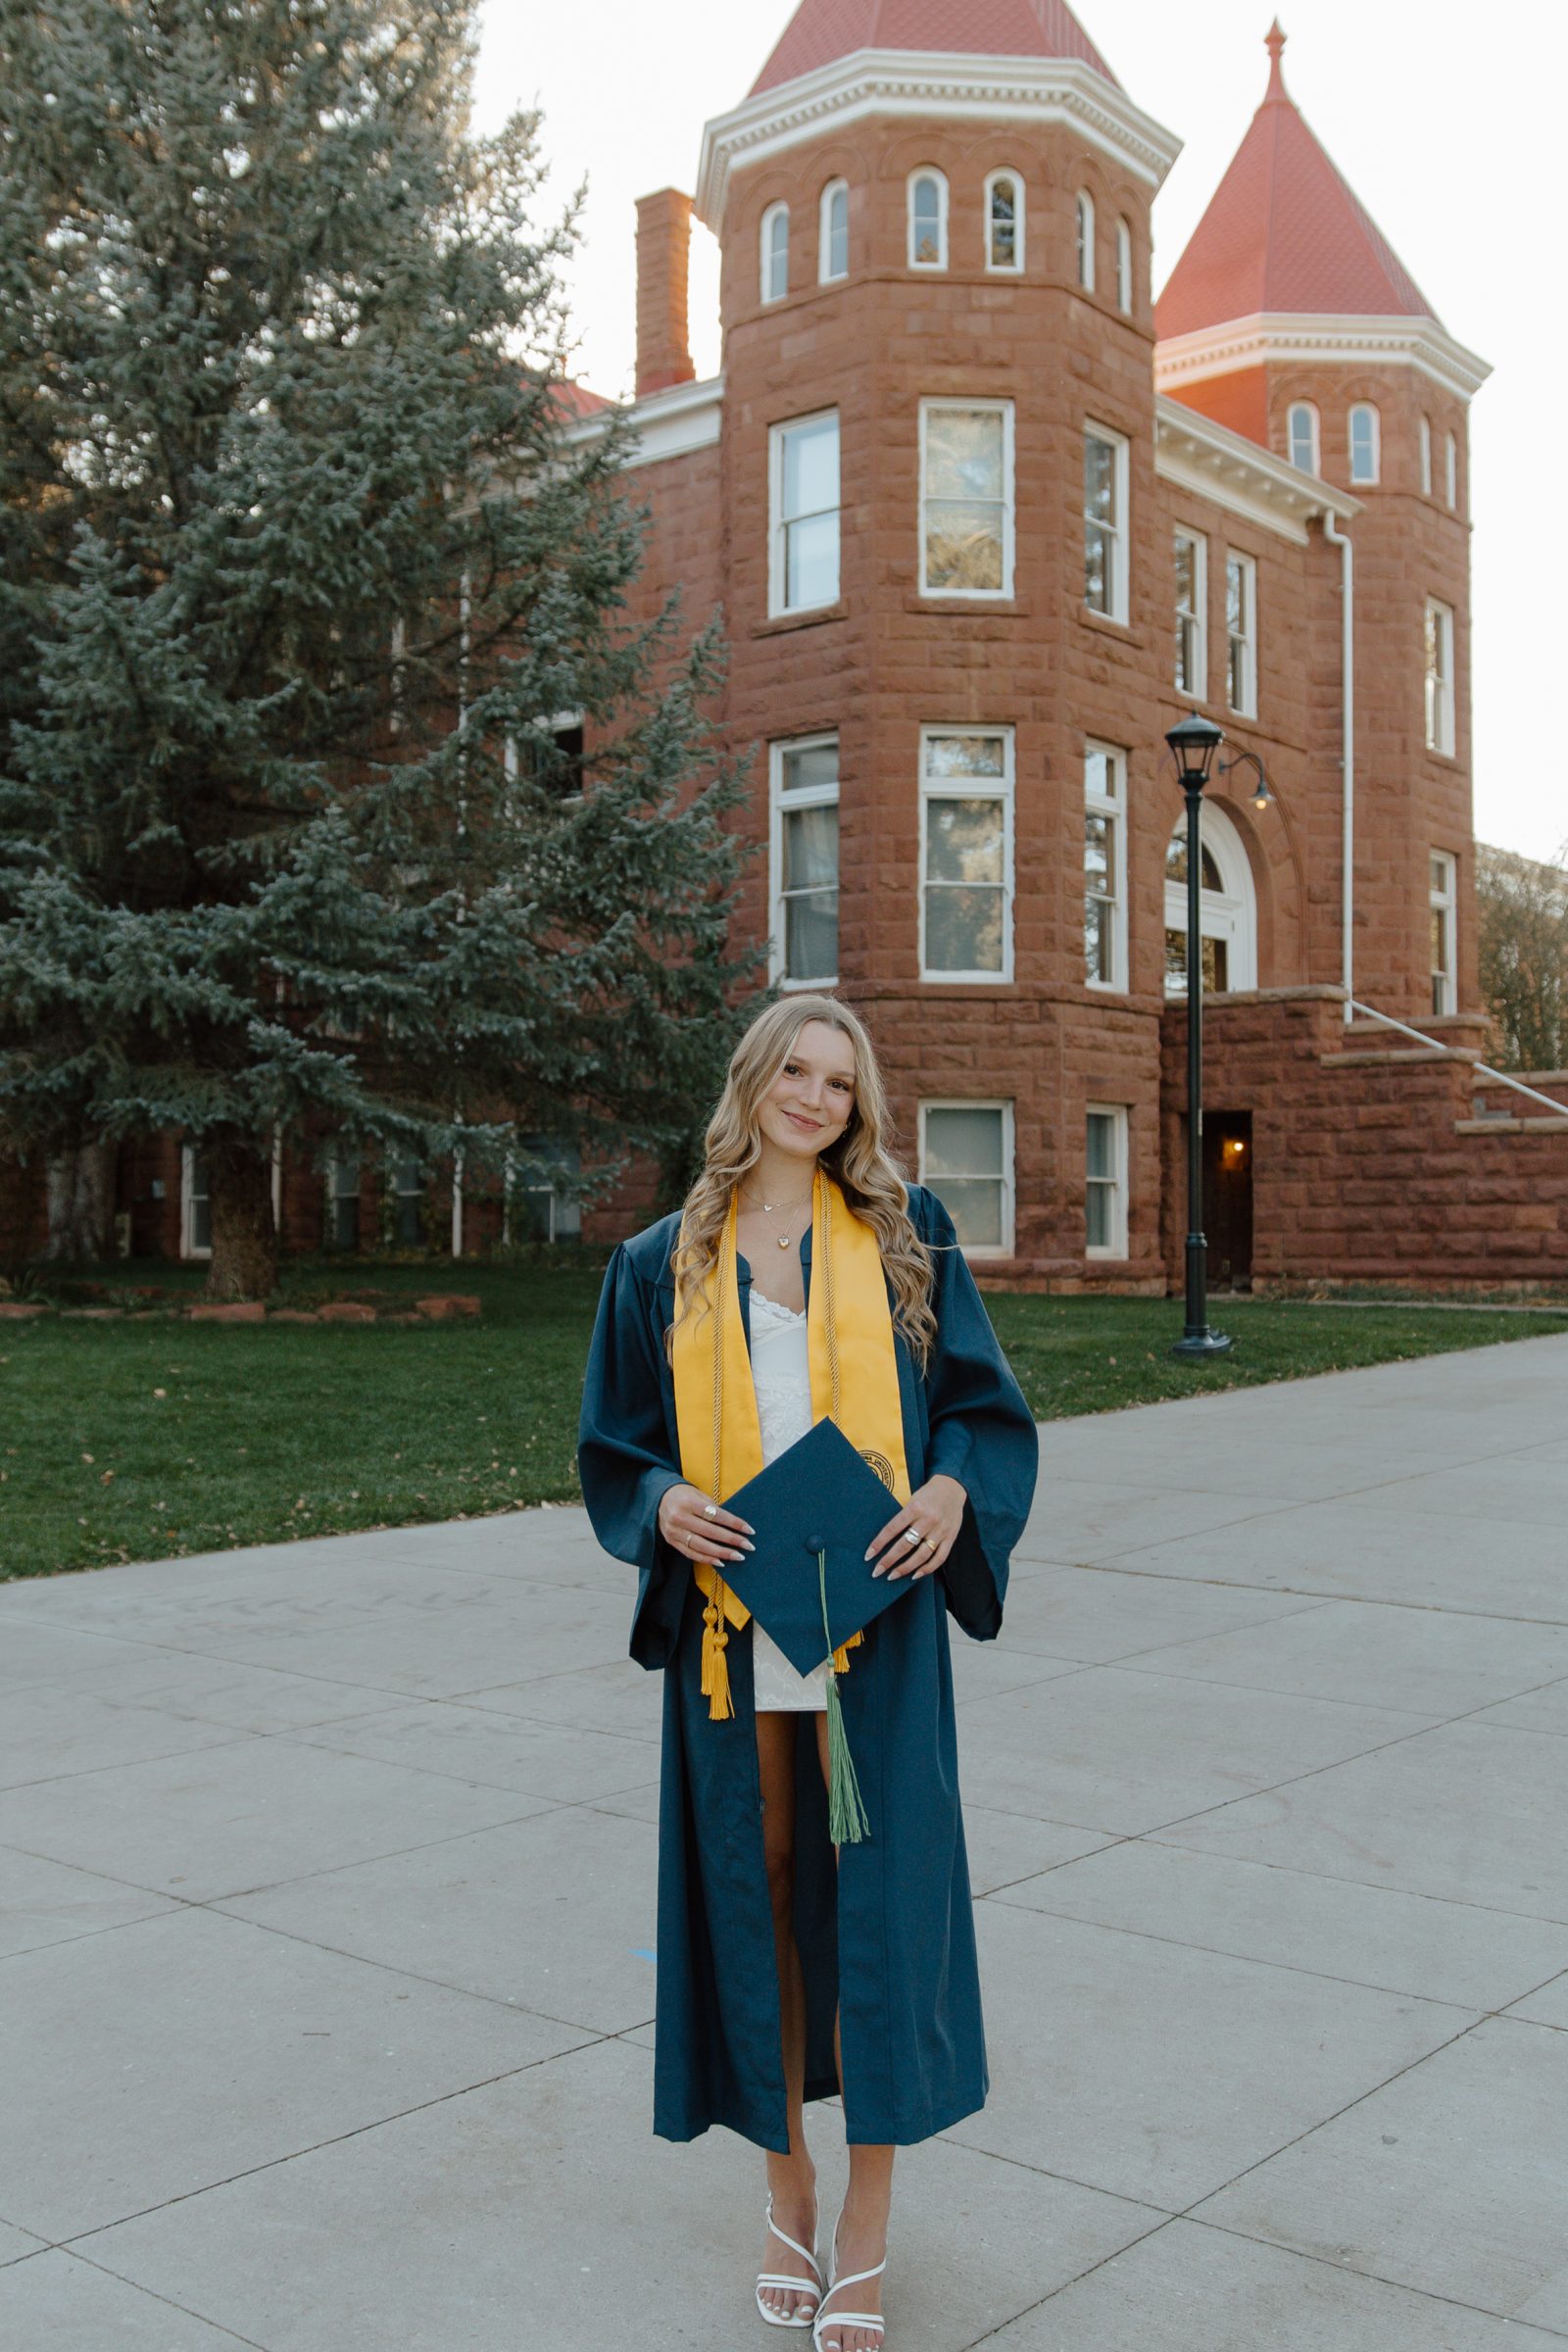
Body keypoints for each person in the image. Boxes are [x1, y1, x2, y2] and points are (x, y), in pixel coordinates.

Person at [577, 993, 1039, 2351]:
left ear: (860, 1105)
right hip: (734, 1633)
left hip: (876, 1628)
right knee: (762, 1898)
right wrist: (660, 1502)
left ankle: (867, 2228)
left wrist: (956, 1489)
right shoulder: (662, 1260)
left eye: (841, 1080)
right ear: (754, 1080)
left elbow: (981, 1410)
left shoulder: (907, 1239)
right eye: (797, 1068)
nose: (816, 1096)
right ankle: (785, 2197)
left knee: (880, 1915)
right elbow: (617, 1445)